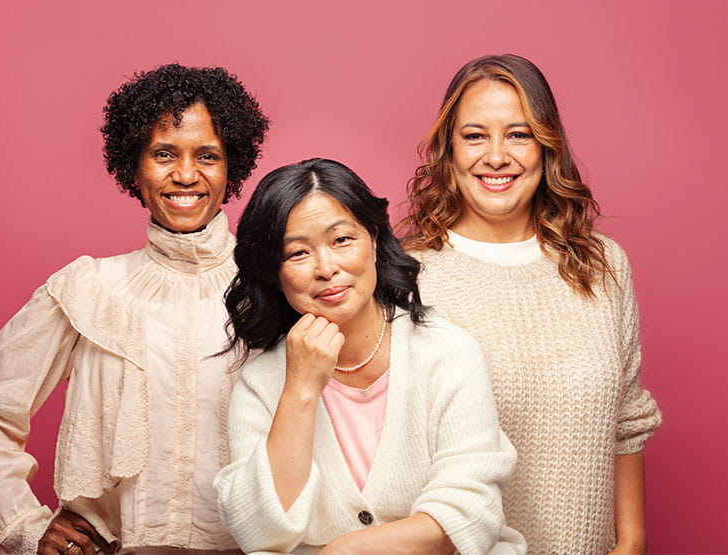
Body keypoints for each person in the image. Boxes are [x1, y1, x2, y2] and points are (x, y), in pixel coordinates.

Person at [0, 63, 269, 554]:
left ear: (231, 169)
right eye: (164, 154)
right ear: (134, 168)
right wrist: (22, 526)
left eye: (207, 156)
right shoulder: (88, 289)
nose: (186, 174)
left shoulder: (272, 286)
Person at [399, 54, 663, 554]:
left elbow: (627, 424)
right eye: (475, 136)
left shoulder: (603, 266)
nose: (497, 156)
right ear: (449, 150)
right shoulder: (408, 276)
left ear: (547, 147)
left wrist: (631, 542)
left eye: (518, 135)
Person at [214, 158, 525, 555]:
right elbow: (257, 533)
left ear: (374, 240)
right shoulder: (260, 383)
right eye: (297, 253)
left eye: (342, 240)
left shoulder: (447, 354)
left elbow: (470, 513)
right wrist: (300, 390)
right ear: (274, 273)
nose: (326, 268)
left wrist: (348, 550)